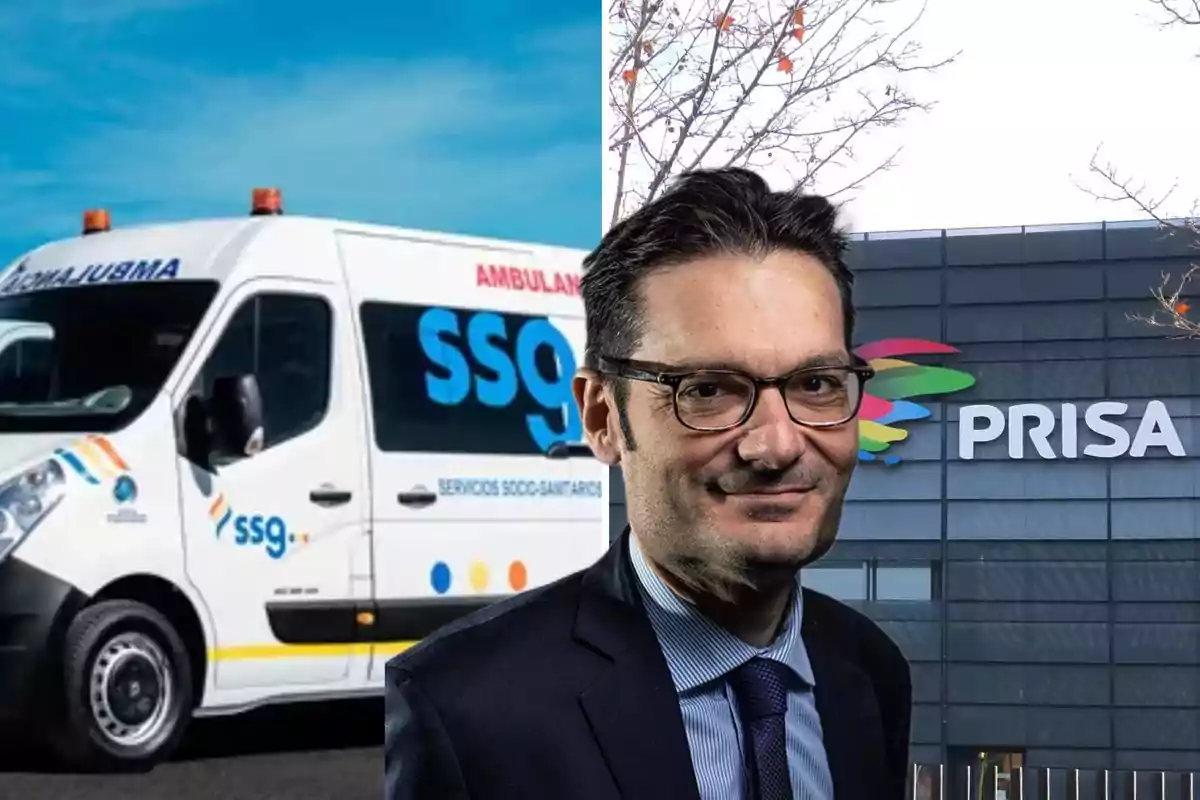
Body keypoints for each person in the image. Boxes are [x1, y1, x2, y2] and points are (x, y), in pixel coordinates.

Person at [384, 166, 913, 800]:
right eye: (709, 390)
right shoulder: (459, 709)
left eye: (816, 384)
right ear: (603, 418)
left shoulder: (872, 673)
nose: (777, 444)